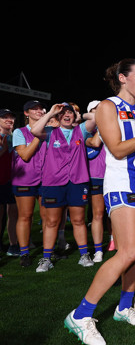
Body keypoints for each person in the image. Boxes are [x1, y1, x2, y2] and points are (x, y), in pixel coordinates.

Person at [64, 58, 135, 345]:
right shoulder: (107, 106)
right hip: (122, 186)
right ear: (122, 78)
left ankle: (124, 308)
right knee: (128, 252)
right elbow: (117, 149)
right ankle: (81, 314)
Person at [30, 101, 97, 272]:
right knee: (52, 221)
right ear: (57, 117)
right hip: (53, 182)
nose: (67, 115)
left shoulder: (80, 131)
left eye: (70, 113)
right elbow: (34, 130)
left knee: (78, 220)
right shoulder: (50, 132)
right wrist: (51, 112)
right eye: (63, 113)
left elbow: (96, 117)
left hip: (77, 181)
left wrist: (79, 115)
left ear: (74, 116)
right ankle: (46, 258)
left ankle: (84, 255)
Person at [12, 101, 48, 266]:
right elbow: (25, 155)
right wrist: (37, 137)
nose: (39, 111)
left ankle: (48, 251)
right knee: (25, 216)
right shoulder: (19, 132)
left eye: (40, 108)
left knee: (47, 217)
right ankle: (24, 253)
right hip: (25, 179)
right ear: (26, 113)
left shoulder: (49, 130)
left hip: (46, 179)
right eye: (34, 109)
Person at [83, 100, 106, 263]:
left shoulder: (111, 125)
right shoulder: (85, 131)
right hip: (95, 176)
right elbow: (95, 143)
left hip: (115, 175)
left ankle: (116, 242)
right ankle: (98, 250)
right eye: (95, 110)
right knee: (97, 214)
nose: (99, 111)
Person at [0, 108, 18, 257]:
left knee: (13, 213)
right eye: (4, 117)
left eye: (11, 117)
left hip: (12, 180)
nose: (9, 119)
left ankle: (13, 245)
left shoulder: (15, 136)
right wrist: (3, 149)